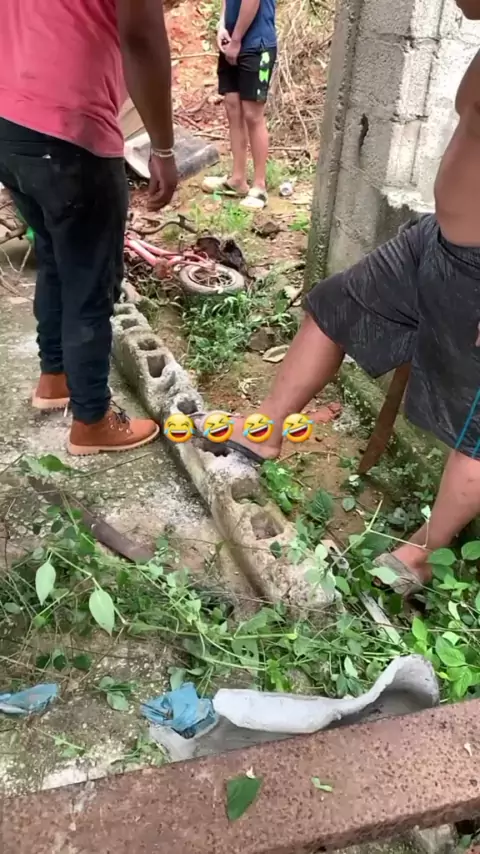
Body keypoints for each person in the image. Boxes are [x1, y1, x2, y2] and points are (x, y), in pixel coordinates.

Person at [196, 0, 480, 595]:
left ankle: (423, 553)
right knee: (334, 306)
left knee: (475, 427)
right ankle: (265, 429)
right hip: (437, 240)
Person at [0, 0, 178, 455]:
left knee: (56, 257)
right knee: (91, 283)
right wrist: (162, 149)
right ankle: (93, 420)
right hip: (70, 130)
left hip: (10, 123)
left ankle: (54, 377)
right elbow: (142, 39)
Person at [202, 0, 277, 210]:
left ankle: (259, 187)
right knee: (233, 107)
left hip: (257, 45)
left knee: (253, 114)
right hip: (232, 42)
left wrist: (236, 40)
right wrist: (221, 25)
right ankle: (237, 179)